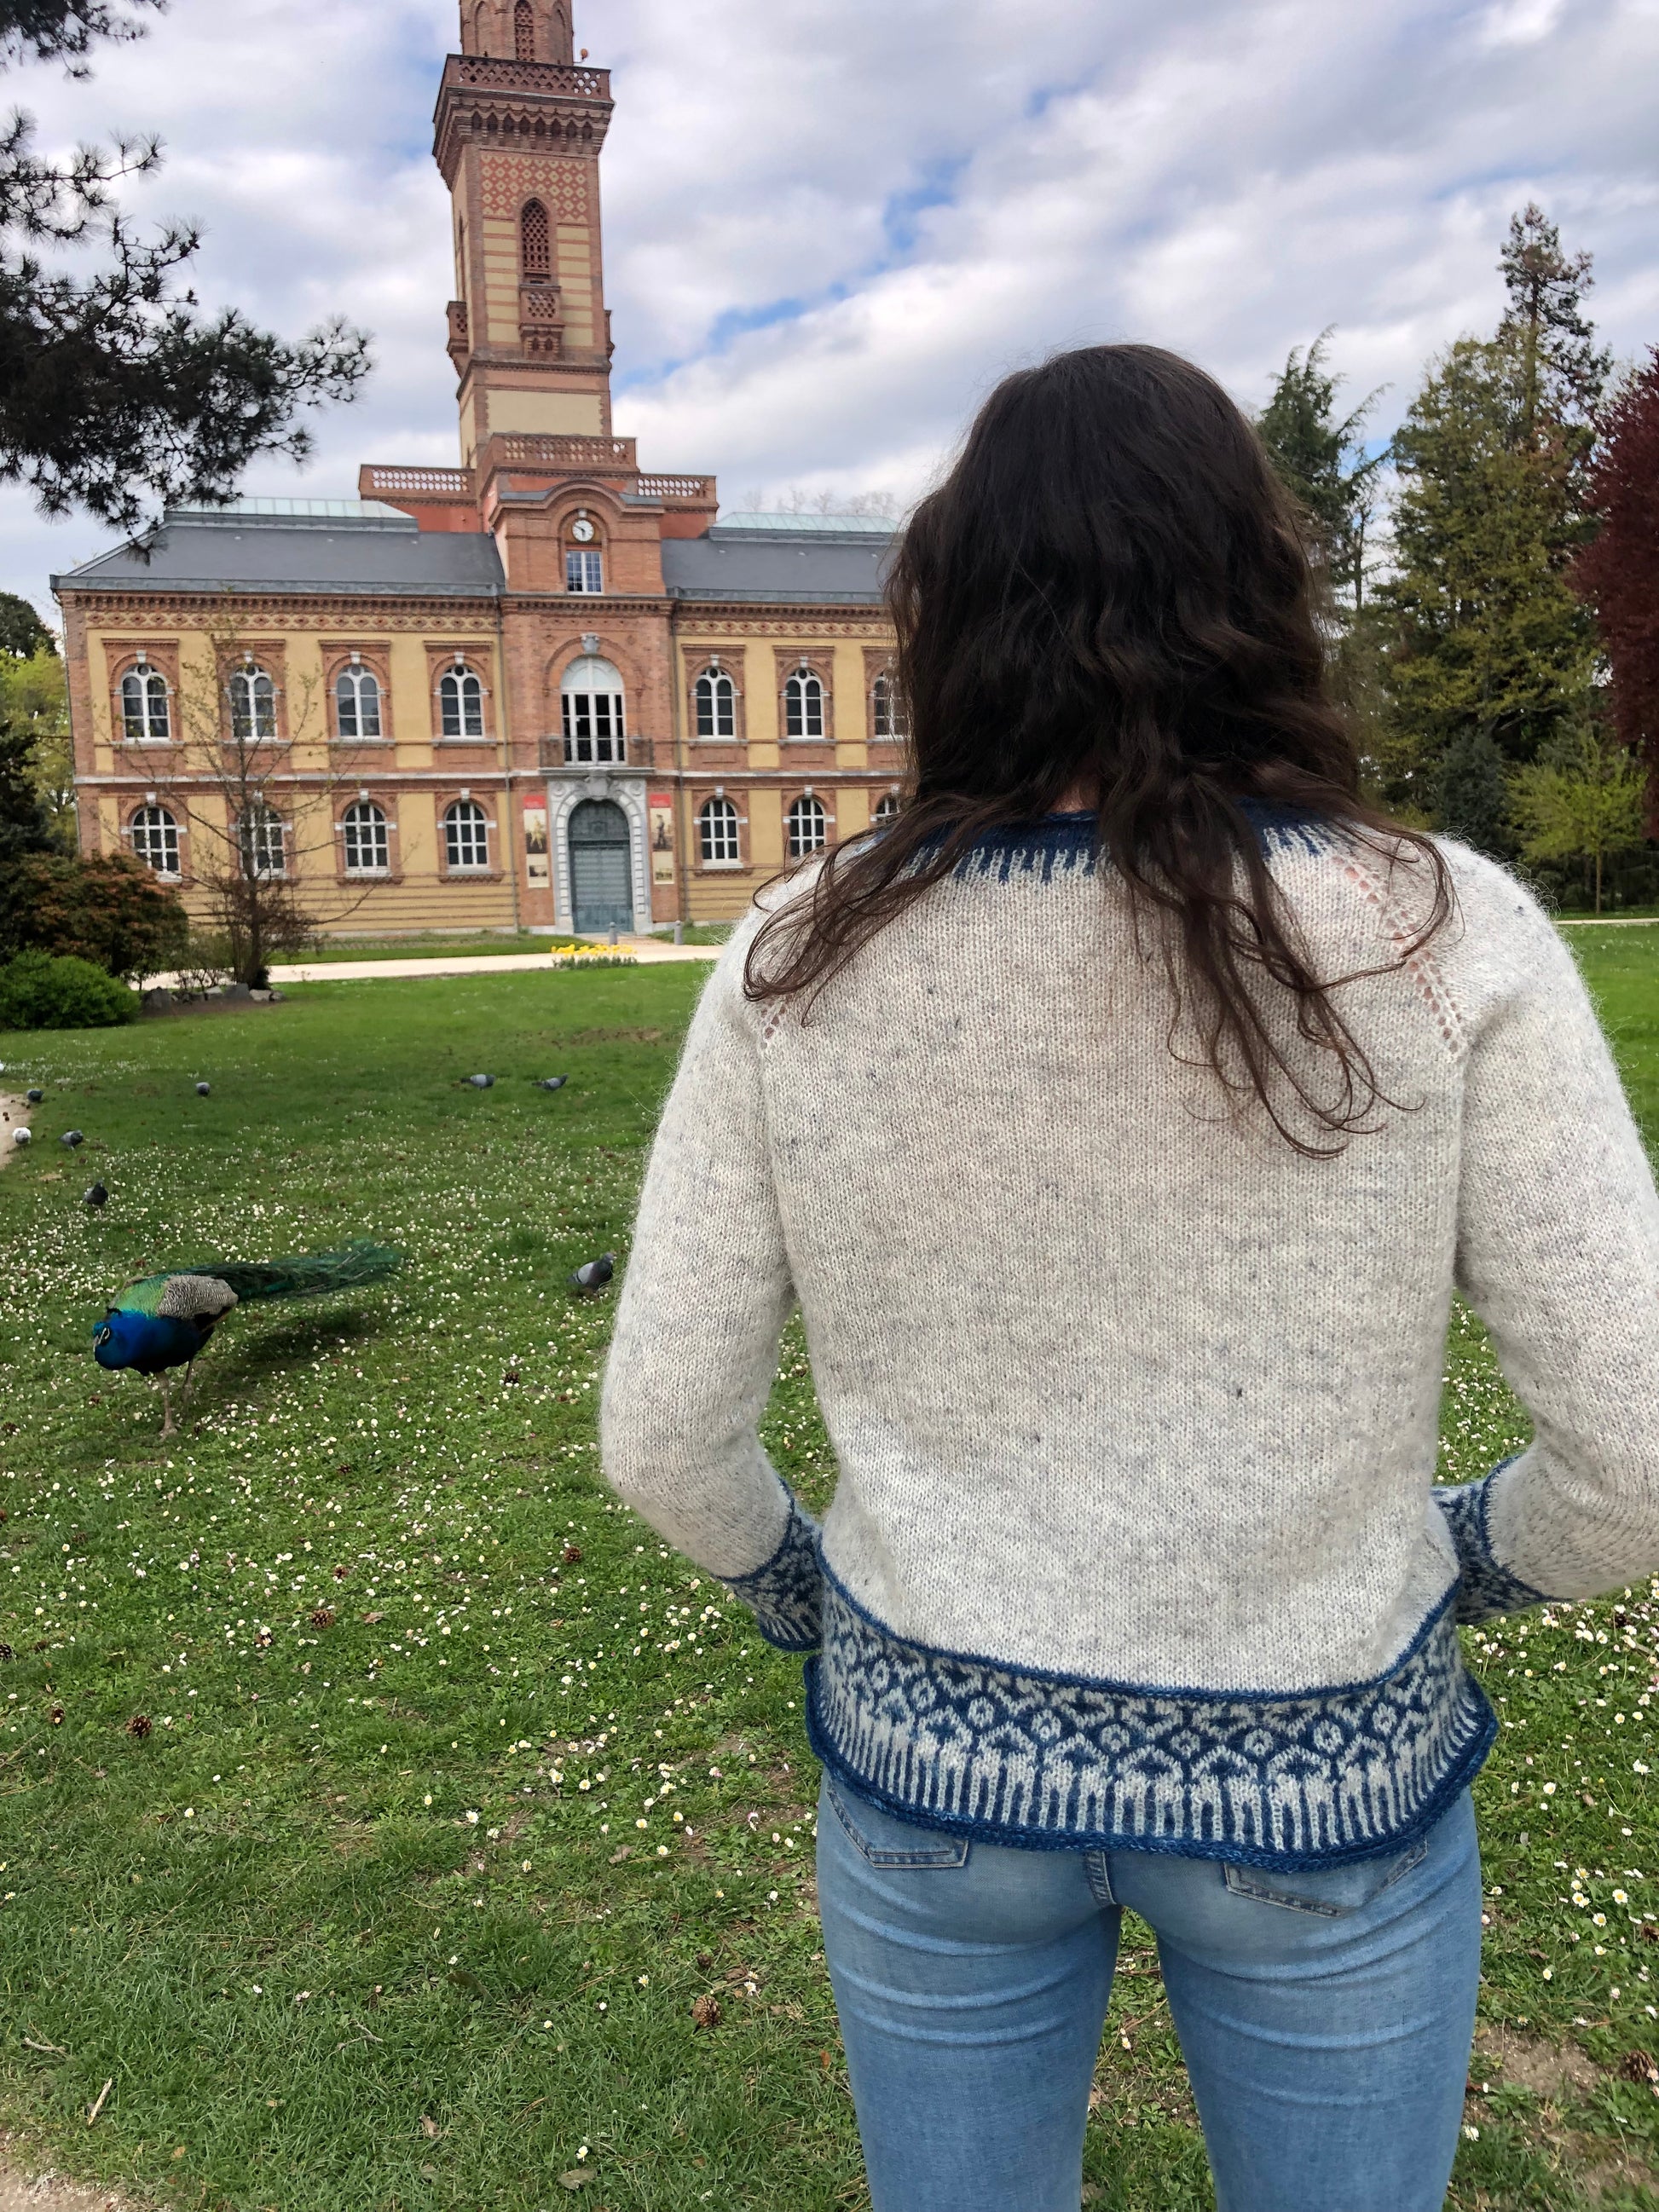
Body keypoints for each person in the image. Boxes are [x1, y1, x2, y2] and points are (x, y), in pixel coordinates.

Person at [598, 344, 1659, 2212]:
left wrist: (807, 1595)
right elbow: (1637, 1450)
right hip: (1320, 1778)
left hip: (933, 1775)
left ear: (950, 615)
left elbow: (663, 1437)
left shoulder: (800, 953)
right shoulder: (1436, 935)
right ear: (1258, 589)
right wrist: (1458, 1562)